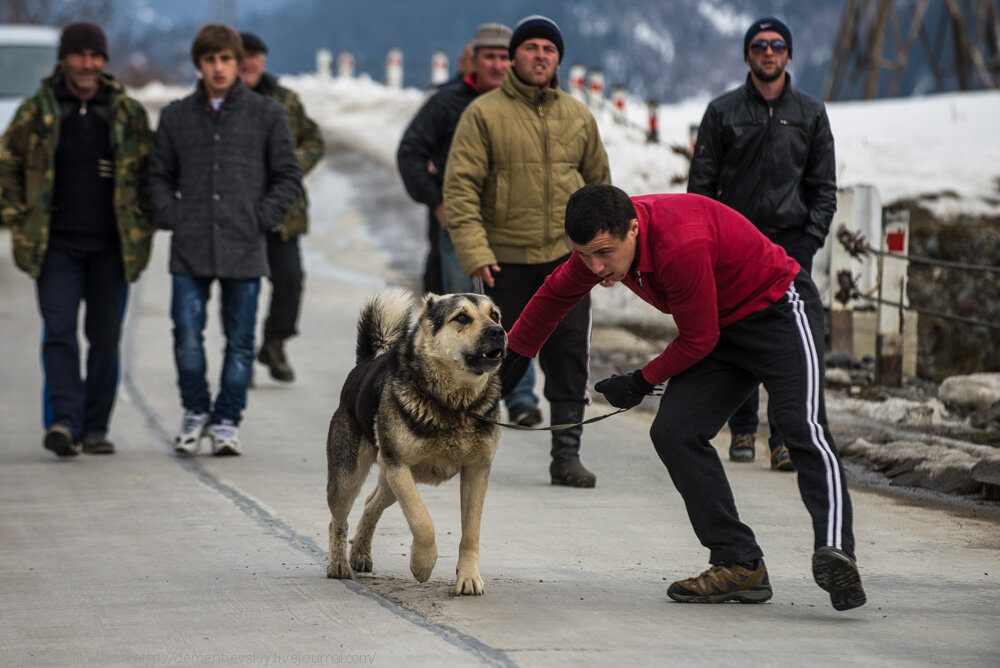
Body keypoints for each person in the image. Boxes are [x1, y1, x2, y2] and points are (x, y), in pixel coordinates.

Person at [500, 184, 865, 611]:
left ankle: (837, 551)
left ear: (633, 228)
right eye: (583, 254)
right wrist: (511, 360)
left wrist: (639, 382)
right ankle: (738, 562)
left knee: (801, 426)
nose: (595, 267)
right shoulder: (600, 248)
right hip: (720, 329)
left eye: (604, 253)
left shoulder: (678, 244)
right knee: (675, 432)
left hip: (778, 310)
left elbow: (697, 340)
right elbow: (553, 295)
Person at [444, 15, 611, 487]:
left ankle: (566, 454)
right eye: (531, 47)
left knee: (570, 357)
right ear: (514, 55)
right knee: (498, 357)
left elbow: (601, 189)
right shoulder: (483, 114)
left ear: (559, 59)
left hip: (569, 262)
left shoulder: (577, 116)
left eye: (549, 49)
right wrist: (475, 250)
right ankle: (469, 444)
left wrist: (600, 252)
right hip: (504, 262)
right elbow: (460, 188)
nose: (540, 55)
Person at [688, 16, 837, 472]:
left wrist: (810, 240)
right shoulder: (722, 111)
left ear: (789, 54)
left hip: (791, 246)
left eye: (776, 45)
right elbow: (701, 189)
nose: (768, 52)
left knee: (792, 341)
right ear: (747, 55)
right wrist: (708, 245)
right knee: (736, 332)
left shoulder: (811, 113)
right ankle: (743, 429)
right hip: (733, 246)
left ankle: (786, 439)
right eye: (758, 45)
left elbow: (823, 187)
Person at [0, 22, 154, 457]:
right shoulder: (37, 111)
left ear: (104, 60)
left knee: (105, 339)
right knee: (59, 333)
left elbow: (150, 173)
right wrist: (18, 216)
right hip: (56, 248)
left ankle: (95, 428)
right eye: (80, 55)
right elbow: (6, 165)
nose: (88, 64)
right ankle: (64, 423)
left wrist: (143, 218)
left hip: (112, 248)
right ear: (64, 59)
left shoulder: (126, 112)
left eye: (95, 55)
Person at [149, 24, 302, 457]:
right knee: (185, 335)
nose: (219, 68)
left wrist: (263, 216)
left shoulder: (267, 114)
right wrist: (172, 213)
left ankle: (228, 420)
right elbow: (158, 175)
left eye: (226, 59)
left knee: (238, 342)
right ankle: (196, 410)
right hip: (190, 246)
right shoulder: (176, 115)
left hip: (244, 244)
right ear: (199, 64)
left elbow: (288, 175)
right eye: (210, 60)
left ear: (238, 63)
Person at [397, 23, 512, 296]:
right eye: (490, 57)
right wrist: (436, 202)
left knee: (508, 314)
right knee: (459, 311)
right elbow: (409, 153)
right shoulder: (445, 103)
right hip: (457, 224)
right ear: (474, 61)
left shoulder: (523, 105)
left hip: (510, 229)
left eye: (504, 57)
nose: (498, 65)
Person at [238, 32, 324, 383]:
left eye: (255, 54)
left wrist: (292, 163)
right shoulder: (224, 101)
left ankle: (274, 342)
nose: (249, 61)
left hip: (283, 211)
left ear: (264, 60)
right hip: (240, 211)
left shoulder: (286, 101)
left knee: (289, 279)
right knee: (243, 286)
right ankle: (239, 358)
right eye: (242, 55)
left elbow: (313, 139)